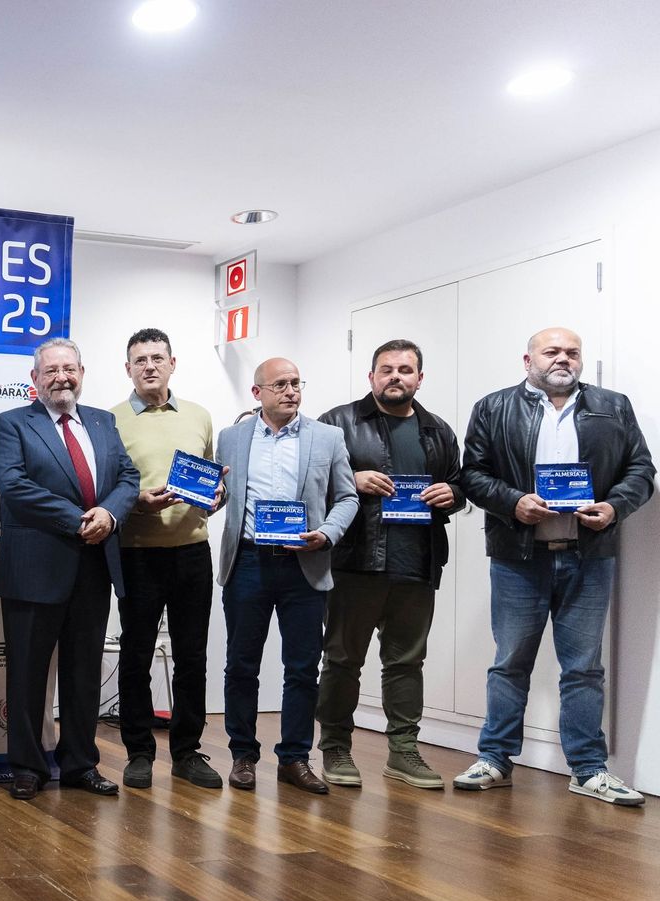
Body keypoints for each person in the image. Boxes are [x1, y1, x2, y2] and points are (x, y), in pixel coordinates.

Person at [454, 327, 654, 805]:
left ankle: (588, 769)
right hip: (518, 558)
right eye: (552, 351)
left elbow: (641, 470)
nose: (563, 359)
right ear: (528, 360)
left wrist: (615, 508)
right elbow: (473, 475)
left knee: (583, 668)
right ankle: (495, 760)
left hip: (589, 558)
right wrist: (512, 503)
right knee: (509, 664)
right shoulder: (493, 407)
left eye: (572, 352)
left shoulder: (613, 406)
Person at [0, 338, 139, 800]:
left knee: (83, 673)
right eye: (51, 370)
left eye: (69, 369)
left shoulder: (103, 421)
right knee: (27, 675)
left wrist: (110, 514)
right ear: (35, 379)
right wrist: (79, 519)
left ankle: (80, 764)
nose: (61, 377)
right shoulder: (12, 423)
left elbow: (128, 477)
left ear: (82, 372)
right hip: (34, 567)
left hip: (94, 567)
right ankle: (27, 766)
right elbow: (12, 484)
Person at [315, 339, 463, 790]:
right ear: (371, 376)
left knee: (407, 663)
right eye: (386, 369)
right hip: (355, 563)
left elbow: (459, 482)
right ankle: (336, 747)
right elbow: (308, 480)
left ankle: (403, 751)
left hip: (417, 565)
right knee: (342, 659)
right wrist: (350, 479)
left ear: (420, 378)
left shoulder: (437, 430)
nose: (395, 376)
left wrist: (452, 495)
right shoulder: (337, 423)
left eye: (405, 369)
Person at [215, 358, 357, 794]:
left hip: (305, 565)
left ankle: (294, 758)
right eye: (280, 384)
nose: (291, 391)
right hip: (249, 563)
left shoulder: (328, 437)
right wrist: (208, 498)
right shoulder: (232, 438)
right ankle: (243, 754)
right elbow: (222, 497)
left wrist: (327, 534)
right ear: (257, 393)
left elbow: (347, 497)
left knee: (301, 668)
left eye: (296, 383)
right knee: (241, 665)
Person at [109, 328, 225, 790]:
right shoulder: (109, 420)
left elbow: (214, 480)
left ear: (173, 363)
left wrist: (217, 497)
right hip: (136, 554)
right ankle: (139, 752)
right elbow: (108, 489)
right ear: (128, 369)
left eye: (158, 358)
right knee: (135, 656)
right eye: (141, 360)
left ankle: (187, 752)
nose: (150, 366)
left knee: (192, 657)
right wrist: (137, 500)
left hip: (192, 551)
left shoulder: (199, 415)